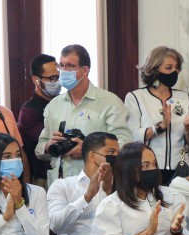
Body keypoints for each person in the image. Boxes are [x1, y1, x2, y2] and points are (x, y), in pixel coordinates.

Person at [35, 44, 131, 180]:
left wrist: (88, 150)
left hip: (96, 182)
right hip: (60, 183)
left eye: (70, 66)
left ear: (85, 70)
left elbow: (124, 145)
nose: (64, 71)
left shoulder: (110, 102)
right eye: (61, 66)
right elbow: (39, 150)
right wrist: (47, 146)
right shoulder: (53, 105)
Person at [125, 46, 189, 184]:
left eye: (176, 68)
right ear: (154, 70)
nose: (174, 72)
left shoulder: (185, 98)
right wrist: (160, 127)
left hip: (180, 169)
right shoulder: (136, 97)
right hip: (149, 168)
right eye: (168, 68)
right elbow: (131, 136)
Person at [17, 54, 61, 183]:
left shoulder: (64, 103)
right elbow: (51, 141)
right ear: (36, 80)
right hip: (42, 177)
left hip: (65, 172)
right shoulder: (28, 112)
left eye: (58, 77)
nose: (57, 82)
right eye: (52, 78)